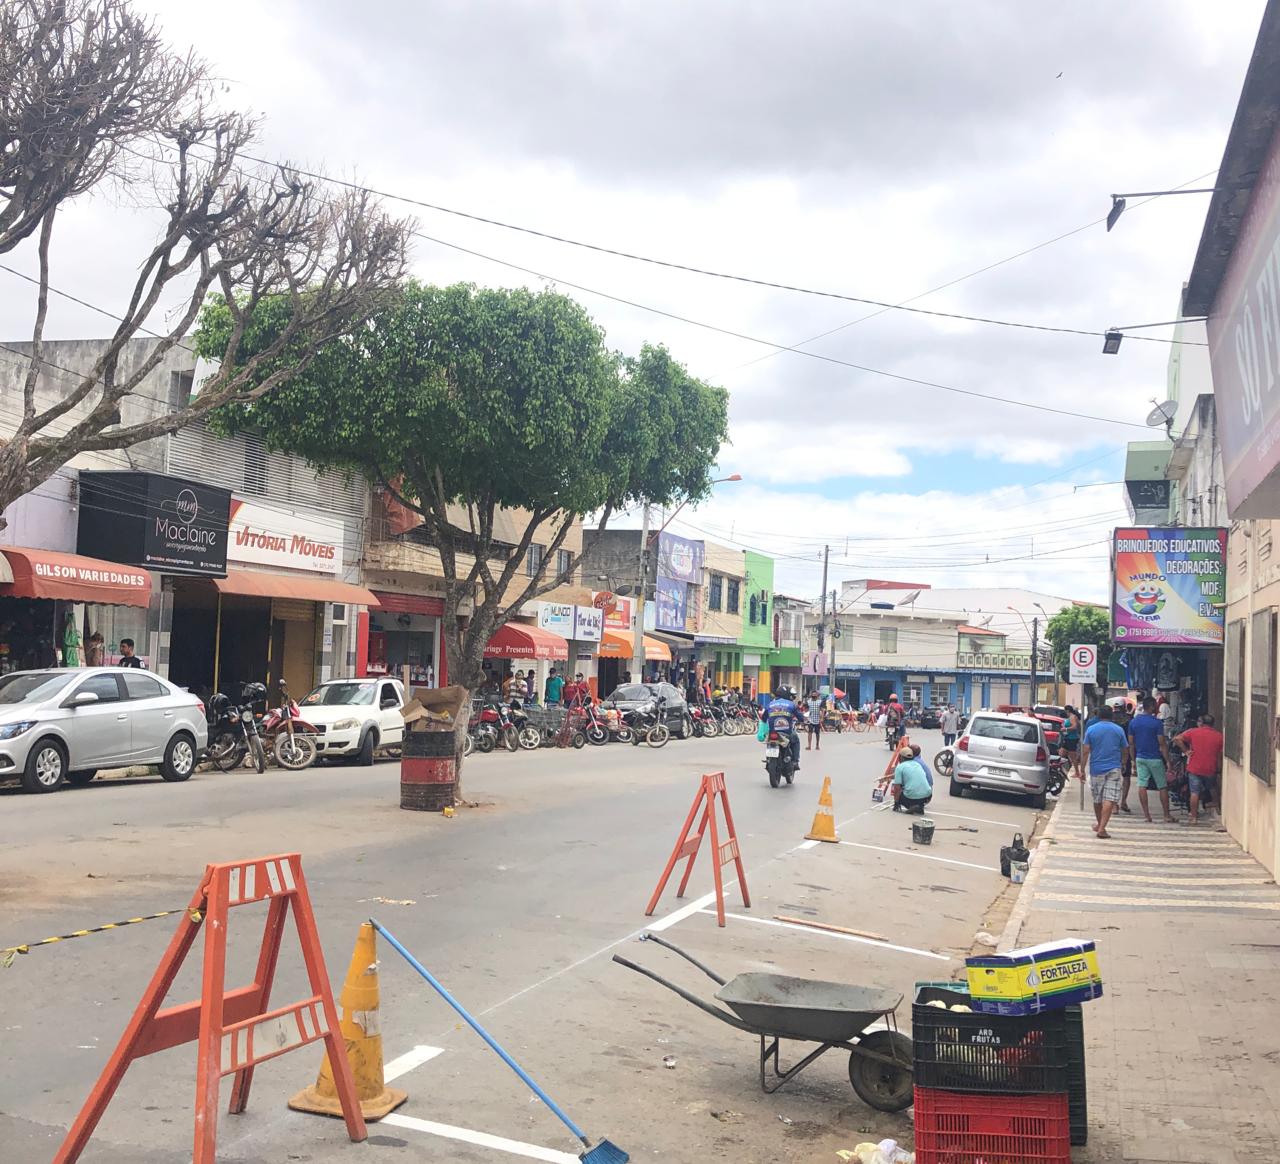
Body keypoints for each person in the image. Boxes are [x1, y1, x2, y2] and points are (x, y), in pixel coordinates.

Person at [1081, 704, 1128, 839]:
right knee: (1110, 798)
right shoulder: (1118, 730)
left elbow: (1085, 751)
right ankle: (1101, 827)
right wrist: (1124, 763)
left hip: (1096, 768)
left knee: (1098, 799)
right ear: (1111, 715)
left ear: (1099, 716)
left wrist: (1082, 769)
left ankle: (1100, 825)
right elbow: (1125, 749)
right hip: (1114, 767)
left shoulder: (1091, 729)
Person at [1129, 697, 1175, 823]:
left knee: (1142, 785)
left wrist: (1133, 760)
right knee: (1162, 786)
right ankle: (1166, 815)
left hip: (1140, 758)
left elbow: (1131, 743)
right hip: (1155, 758)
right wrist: (1168, 761)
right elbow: (1162, 743)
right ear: (1151, 707)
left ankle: (1147, 815)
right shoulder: (1157, 723)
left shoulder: (1134, 722)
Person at [1174, 714, 1225, 826]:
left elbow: (1177, 739)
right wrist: (1219, 768)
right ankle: (1218, 807)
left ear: (1201, 723)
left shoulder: (1193, 732)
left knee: (1194, 792)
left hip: (1194, 767)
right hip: (1210, 767)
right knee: (1212, 787)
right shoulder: (1219, 736)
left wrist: (1186, 751)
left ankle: (1193, 817)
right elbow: (1220, 755)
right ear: (1213, 724)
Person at [764, 684, 802, 769]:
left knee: (769, 741)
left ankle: (768, 759)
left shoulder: (770, 704)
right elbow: (801, 717)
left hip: (772, 732)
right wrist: (803, 720)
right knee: (796, 740)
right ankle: (795, 761)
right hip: (786, 732)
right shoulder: (791, 704)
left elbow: (763, 718)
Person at [890, 743, 933, 813]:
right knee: (911, 789)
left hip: (911, 797)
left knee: (899, 792)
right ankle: (920, 806)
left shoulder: (900, 767)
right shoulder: (917, 764)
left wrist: (896, 803)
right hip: (927, 796)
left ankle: (912, 805)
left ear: (901, 757)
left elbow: (897, 788)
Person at [1059, 706, 1082, 781]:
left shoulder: (1073, 717)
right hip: (1067, 738)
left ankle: (1077, 772)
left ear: (1068, 710)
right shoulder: (1069, 717)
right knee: (1061, 753)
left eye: (1065, 711)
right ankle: (1060, 770)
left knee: (1073, 757)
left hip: (1072, 739)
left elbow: (1074, 727)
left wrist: (1065, 729)